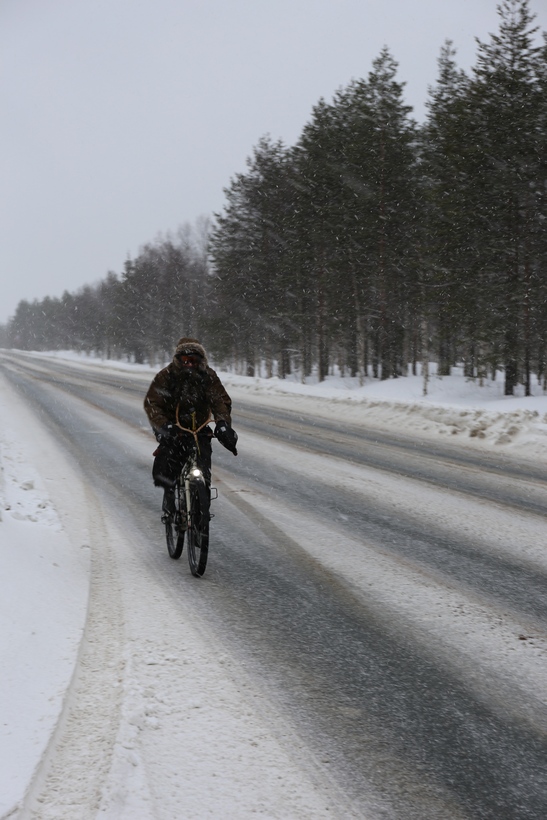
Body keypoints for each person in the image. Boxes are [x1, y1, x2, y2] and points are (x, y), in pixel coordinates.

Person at [144, 337, 238, 519]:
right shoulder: (166, 376)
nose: (189, 364)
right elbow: (153, 404)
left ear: (201, 360)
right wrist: (164, 425)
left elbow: (220, 401)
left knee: (204, 469)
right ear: (178, 360)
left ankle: (201, 512)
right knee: (170, 462)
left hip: (199, 428)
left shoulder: (208, 377)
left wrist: (223, 423)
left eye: (194, 360)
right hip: (172, 427)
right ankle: (169, 496)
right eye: (185, 360)